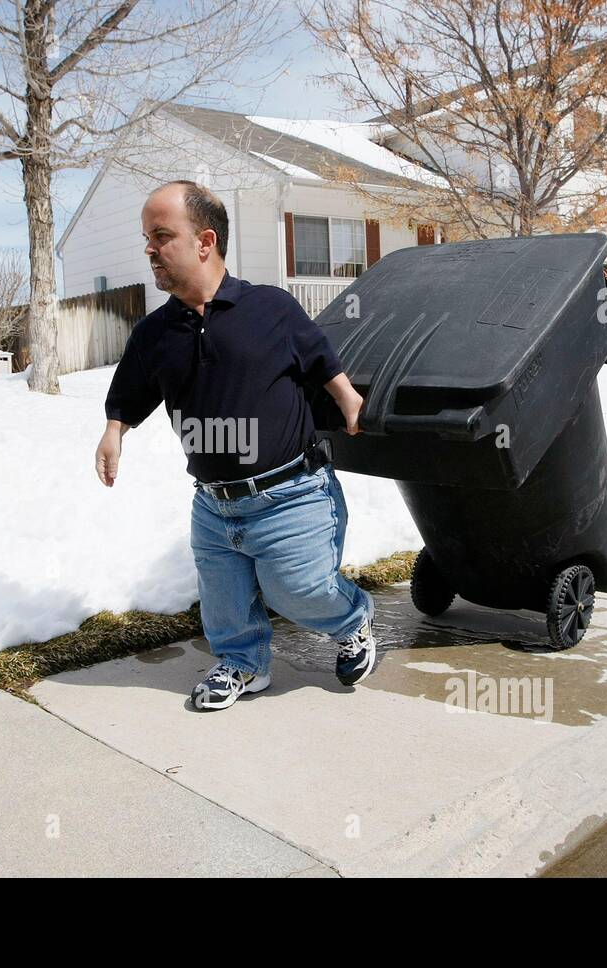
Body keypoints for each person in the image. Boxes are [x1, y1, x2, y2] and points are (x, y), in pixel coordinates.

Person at [94, 180, 375, 711]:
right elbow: (132, 389)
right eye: (146, 239)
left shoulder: (269, 307)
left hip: (291, 493)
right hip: (213, 503)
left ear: (204, 241)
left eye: (161, 236)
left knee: (299, 591)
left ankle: (351, 618)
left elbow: (319, 358)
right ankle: (244, 662)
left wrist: (348, 399)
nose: (149, 249)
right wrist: (114, 432)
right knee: (224, 605)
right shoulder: (156, 332)